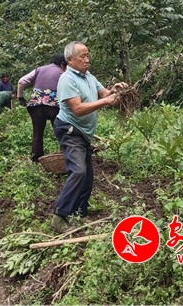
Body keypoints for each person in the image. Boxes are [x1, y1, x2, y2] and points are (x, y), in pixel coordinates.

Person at [50, 41, 128, 233]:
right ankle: (59, 216)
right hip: (69, 129)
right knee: (78, 171)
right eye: (82, 56)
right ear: (70, 60)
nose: (87, 60)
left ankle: (80, 212)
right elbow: (77, 108)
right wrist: (106, 100)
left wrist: (114, 91)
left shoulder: (89, 76)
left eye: (87, 55)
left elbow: (104, 94)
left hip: (83, 133)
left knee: (87, 176)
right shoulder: (67, 79)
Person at [17, 54, 67, 162]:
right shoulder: (62, 73)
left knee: (37, 132)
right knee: (60, 130)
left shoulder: (39, 69)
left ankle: (36, 157)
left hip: (36, 105)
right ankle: (65, 155)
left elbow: (21, 81)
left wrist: (20, 97)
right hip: (54, 106)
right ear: (62, 64)